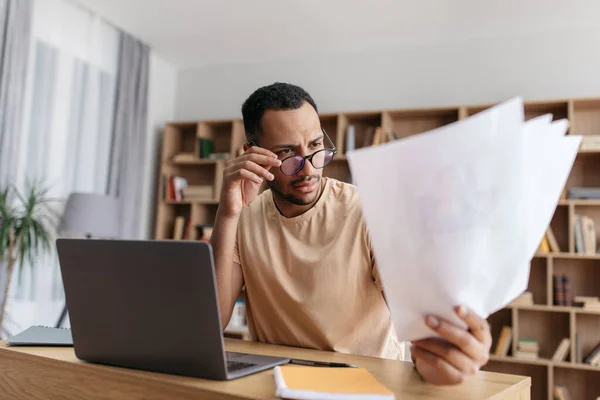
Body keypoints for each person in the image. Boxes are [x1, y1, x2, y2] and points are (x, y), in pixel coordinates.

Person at [210, 82, 491, 385]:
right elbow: (212, 322)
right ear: (252, 155)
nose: (308, 170)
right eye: (287, 153)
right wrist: (228, 214)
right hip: (278, 385)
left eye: (316, 146)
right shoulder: (243, 217)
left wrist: (447, 354)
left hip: (364, 384)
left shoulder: (369, 211)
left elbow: (422, 324)